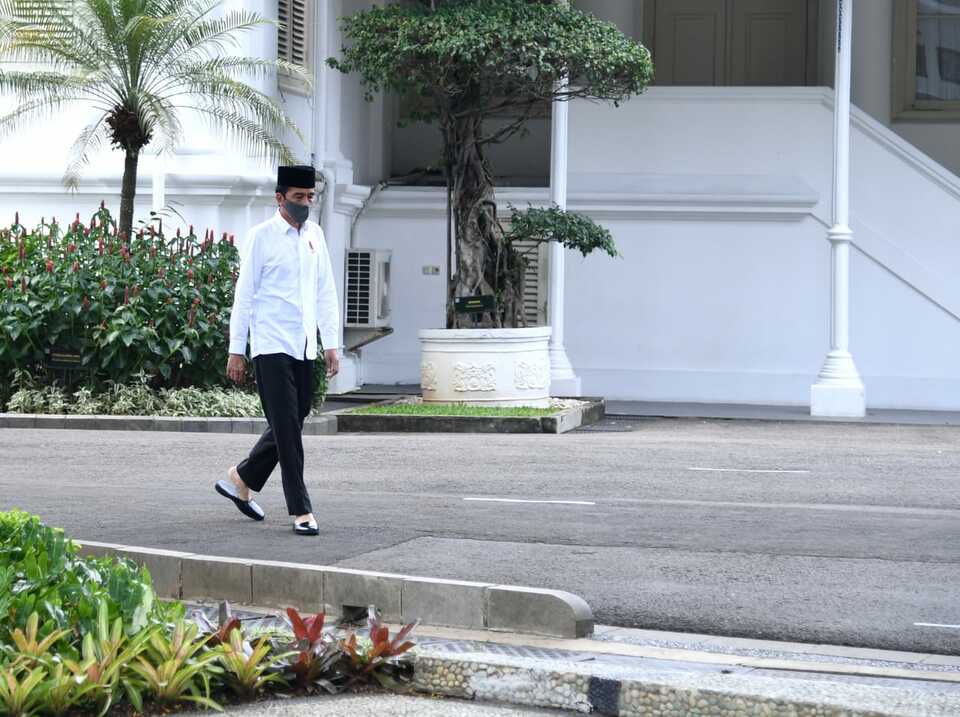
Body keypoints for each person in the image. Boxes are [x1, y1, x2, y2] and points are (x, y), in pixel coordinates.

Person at [215, 165, 340, 536]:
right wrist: (237, 350)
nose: (306, 204)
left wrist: (331, 344)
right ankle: (300, 510)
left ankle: (242, 477)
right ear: (280, 197)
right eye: (298, 197)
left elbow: (326, 293)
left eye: (310, 197)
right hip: (270, 345)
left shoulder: (315, 236)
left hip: (304, 346)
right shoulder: (262, 237)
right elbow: (245, 295)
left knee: (294, 418)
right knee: (287, 430)